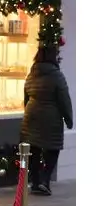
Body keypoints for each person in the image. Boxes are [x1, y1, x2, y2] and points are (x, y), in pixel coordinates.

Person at [21, 45, 73, 195]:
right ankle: (45, 180)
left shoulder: (32, 73)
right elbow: (64, 99)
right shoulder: (56, 75)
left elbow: (26, 94)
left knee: (34, 150)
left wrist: (28, 111)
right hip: (51, 118)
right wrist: (69, 119)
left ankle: (35, 182)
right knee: (52, 149)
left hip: (31, 115)